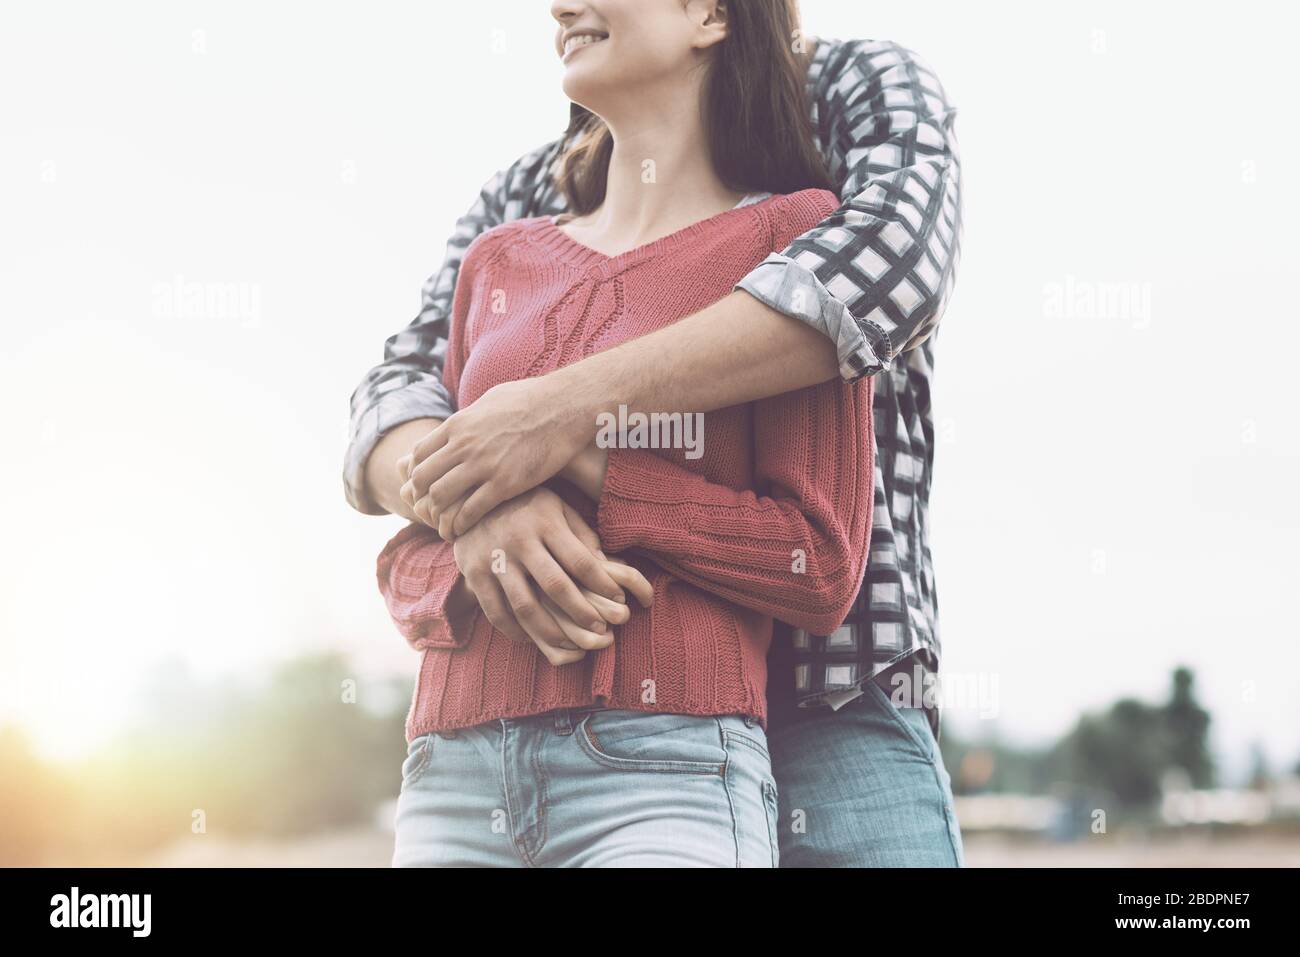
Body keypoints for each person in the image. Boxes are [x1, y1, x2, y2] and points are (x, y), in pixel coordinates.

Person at [351, 0, 966, 867]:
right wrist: (483, 501)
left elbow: (884, 273)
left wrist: (558, 420)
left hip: (837, 690)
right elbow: (399, 389)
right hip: (502, 727)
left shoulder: (854, 92)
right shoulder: (525, 205)